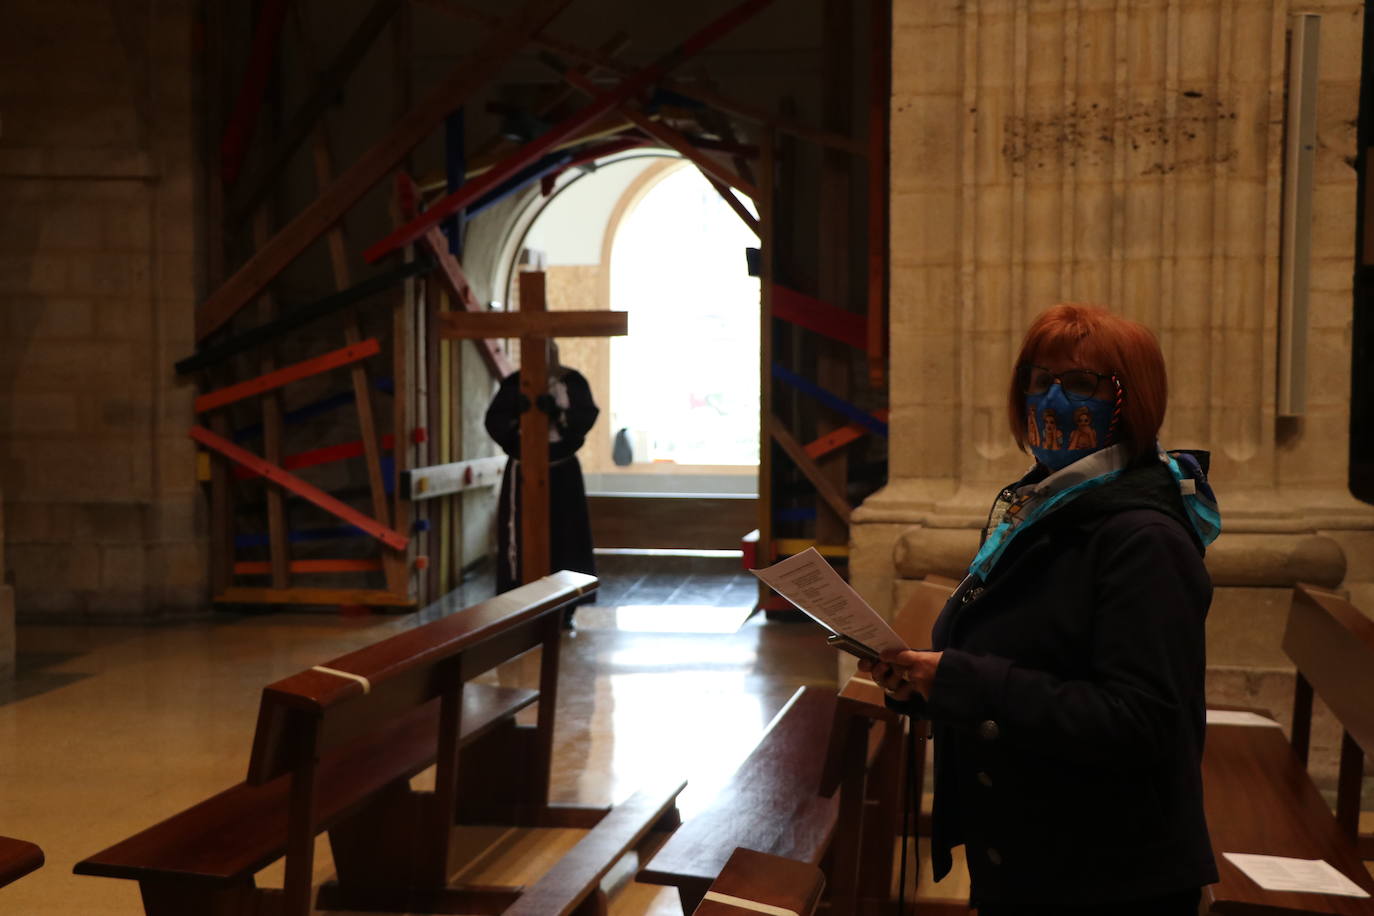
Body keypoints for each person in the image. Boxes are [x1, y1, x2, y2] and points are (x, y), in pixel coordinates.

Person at [861, 304, 1222, 914]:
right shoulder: (1039, 505)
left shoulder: (1145, 540)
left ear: (1129, 400)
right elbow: (1020, 649)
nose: (1053, 399)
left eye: (1080, 384)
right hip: (1031, 850)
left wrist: (963, 679)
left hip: (1106, 876)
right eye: (1039, 380)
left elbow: (1139, 721)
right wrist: (927, 682)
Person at [484, 341, 599, 627]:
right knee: (520, 539)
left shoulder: (572, 382)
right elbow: (495, 420)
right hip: (523, 473)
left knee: (566, 538)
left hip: (562, 473)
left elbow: (584, 418)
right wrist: (518, 415)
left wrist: (558, 415)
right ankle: (519, 610)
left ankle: (566, 609)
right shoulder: (514, 383)